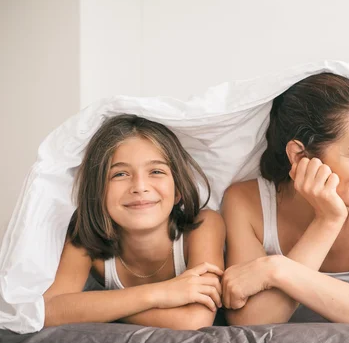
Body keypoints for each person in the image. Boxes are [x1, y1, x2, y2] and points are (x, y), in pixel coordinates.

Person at [221, 73, 349, 328]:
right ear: (299, 155)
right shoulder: (246, 203)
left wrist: (278, 270)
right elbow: (252, 323)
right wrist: (327, 221)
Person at [43, 114, 225, 330]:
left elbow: (194, 320)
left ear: (178, 190)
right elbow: (49, 310)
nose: (139, 186)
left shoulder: (204, 225)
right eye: (120, 174)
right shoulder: (85, 235)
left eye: (156, 171)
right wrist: (162, 293)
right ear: (98, 191)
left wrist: (102, 308)